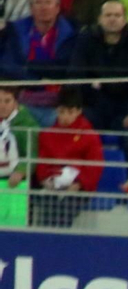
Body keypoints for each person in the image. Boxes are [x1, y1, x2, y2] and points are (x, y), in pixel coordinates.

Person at [70, 0, 128, 136]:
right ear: (99, 19)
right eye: (108, 15)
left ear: (125, 19)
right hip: (94, 104)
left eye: (117, 15)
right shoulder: (86, 39)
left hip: (126, 106)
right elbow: (76, 75)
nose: (112, 19)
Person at [1, 0, 76, 118]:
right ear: (31, 8)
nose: (43, 7)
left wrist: (29, 67)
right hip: (19, 99)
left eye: (48, 2)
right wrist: (39, 78)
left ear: (57, 7)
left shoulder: (73, 34)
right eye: (38, 3)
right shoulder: (13, 31)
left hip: (59, 102)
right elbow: (8, 65)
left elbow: (66, 69)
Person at [33, 87, 101, 227]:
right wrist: (45, 180)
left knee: (64, 209)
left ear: (79, 112)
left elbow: (95, 166)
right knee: (47, 204)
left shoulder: (90, 136)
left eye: (70, 112)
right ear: (56, 111)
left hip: (78, 188)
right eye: (62, 112)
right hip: (53, 185)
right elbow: (42, 163)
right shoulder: (47, 135)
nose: (65, 117)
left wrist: (79, 184)